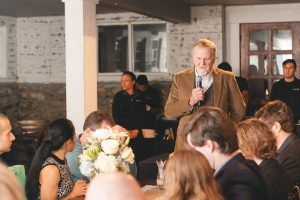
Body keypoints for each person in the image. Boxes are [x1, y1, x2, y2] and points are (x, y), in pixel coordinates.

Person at [164, 39, 246, 151]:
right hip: (187, 142)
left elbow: (239, 111)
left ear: (213, 58)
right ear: (193, 57)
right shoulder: (180, 78)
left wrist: (226, 131)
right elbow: (169, 112)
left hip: (217, 142)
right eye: (198, 58)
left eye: (206, 59)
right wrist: (190, 102)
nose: (202, 63)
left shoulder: (227, 77)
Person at [185, 106, 268, 200]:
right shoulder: (246, 165)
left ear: (209, 145)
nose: (194, 156)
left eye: (195, 149)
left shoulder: (236, 179)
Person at [26, 118, 87, 200]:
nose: (76, 140)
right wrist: (73, 194)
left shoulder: (61, 160)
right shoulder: (51, 170)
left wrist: (77, 186)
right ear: (68, 143)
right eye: (74, 136)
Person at [66, 110, 136, 181]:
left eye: (111, 134)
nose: (109, 138)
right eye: (106, 133)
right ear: (88, 132)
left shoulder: (107, 146)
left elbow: (132, 176)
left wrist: (121, 146)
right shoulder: (73, 153)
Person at [236, 118, 291, 200]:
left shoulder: (268, 174)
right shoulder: (268, 165)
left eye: (239, 145)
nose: (238, 150)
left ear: (250, 144)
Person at [255, 100, 300, 187]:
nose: (260, 134)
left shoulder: (291, 156)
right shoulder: (285, 147)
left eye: (262, 128)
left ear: (276, 127)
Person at [112, 71, 147, 162]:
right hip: (123, 133)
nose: (123, 83)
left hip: (137, 133)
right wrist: (126, 131)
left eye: (126, 81)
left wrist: (136, 130)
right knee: (124, 158)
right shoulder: (118, 97)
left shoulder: (141, 95)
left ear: (133, 82)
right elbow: (116, 115)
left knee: (139, 158)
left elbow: (143, 115)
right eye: (121, 81)